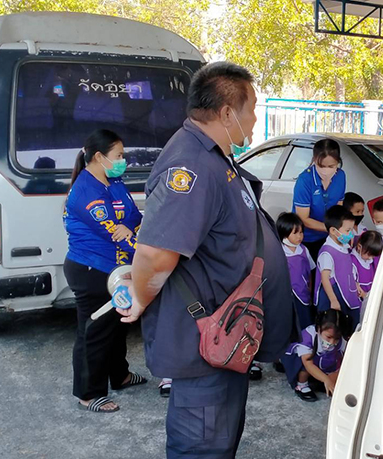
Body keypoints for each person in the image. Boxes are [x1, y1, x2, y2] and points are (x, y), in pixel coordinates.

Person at [118, 62, 291, 459]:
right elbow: (155, 254)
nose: (255, 118)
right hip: (204, 348)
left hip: (227, 339)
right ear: (228, 113)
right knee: (202, 448)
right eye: (252, 109)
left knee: (220, 444)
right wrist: (140, 297)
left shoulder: (213, 155)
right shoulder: (191, 163)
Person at [63, 129, 148, 413]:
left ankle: (119, 375)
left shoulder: (114, 182)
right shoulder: (86, 191)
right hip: (92, 269)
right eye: (119, 155)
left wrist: (131, 229)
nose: (123, 161)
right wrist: (150, 254)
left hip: (115, 268)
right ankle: (88, 393)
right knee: (94, 330)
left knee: (117, 325)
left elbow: (134, 217)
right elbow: (113, 232)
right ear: (99, 157)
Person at [293, 138, 346, 255]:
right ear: (314, 160)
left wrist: (341, 228)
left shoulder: (340, 176)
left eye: (331, 166)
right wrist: (331, 229)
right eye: (321, 166)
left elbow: (339, 208)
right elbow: (303, 218)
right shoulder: (305, 180)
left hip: (330, 237)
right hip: (306, 238)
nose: (326, 170)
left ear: (338, 162)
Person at [282, 310, 346, 402]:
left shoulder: (342, 340)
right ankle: (302, 385)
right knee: (304, 366)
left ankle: (320, 380)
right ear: (319, 329)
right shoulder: (307, 337)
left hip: (321, 360)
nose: (332, 342)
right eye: (328, 337)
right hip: (304, 361)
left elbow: (344, 358)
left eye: (336, 339)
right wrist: (326, 380)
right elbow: (308, 364)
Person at [315, 206, 361, 335]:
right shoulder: (327, 252)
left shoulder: (344, 246)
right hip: (334, 295)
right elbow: (325, 278)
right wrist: (333, 300)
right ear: (333, 231)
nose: (351, 234)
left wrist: (356, 285)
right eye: (348, 230)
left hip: (347, 291)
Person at [278, 212, 316, 335]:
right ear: (284, 233)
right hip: (286, 295)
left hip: (303, 292)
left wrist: (310, 289)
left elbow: (310, 271)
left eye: (301, 232)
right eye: (295, 233)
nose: (299, 236)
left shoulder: (304, 250)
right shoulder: (279, 251)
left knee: (305, 322)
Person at [353, 230, 383, 304]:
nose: (370, 258)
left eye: (373, 256)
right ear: (359, 247)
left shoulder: (372, 260)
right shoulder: (353, 262)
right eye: (369, 255)